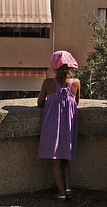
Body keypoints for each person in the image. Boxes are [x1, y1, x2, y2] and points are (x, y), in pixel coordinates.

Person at [37, 50, 80, 202]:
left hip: (51, 126)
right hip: (68, 127)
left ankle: (60, 192)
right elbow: (76, 103)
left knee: (55, 160)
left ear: (54, 67)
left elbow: (40, 103)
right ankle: (68, 188)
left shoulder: (48, 83)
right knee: (64, 158)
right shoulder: (76, 83)